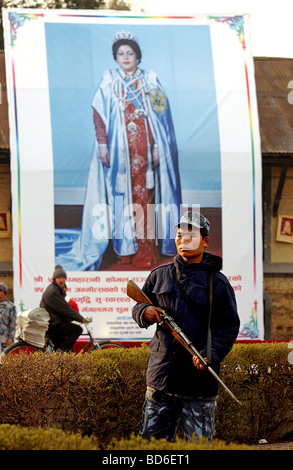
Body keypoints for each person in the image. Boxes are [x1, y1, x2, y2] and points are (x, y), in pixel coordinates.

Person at [56, 30, 181, 271]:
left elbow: (161, 115)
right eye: (121, 53)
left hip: (144, 149)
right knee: (120, 199)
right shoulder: (108, 80)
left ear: (138, 56)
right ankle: (125, 251)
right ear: (116, 57)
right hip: (117, 152)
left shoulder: (151, 79)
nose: (125, 57)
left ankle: (145, 252)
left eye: (130, 53)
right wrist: (102, 144)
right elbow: (98, 114)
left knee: (145, 199)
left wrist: (157, 146)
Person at [132, 210, 240, 441]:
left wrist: (210, 354)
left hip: (198, 385)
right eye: (180, 236)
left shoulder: (218, 284)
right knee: (150, 448)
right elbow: (138, 306)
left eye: (191, 236)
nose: (183, 241)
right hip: (161, 380)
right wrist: (144, 312)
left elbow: (228, 327)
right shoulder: (159, 276)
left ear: (205, 241)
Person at [40, 265, 88, 352]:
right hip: (53, 324)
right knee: (77, 330)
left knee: (65, 348)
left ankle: (59, 355)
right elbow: (65, 309)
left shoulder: (56, 289)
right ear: (54, 279)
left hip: (51, 322)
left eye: (63, 277)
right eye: (59, 278)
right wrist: (81, 319)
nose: (61, 280)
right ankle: (60, 351)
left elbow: (64, 309)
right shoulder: (53, 291)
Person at [0, 282, 17, 353]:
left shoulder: (10, 306)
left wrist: (10, 339)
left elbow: (13, 324)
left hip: (4, 341)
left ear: (4, 292)